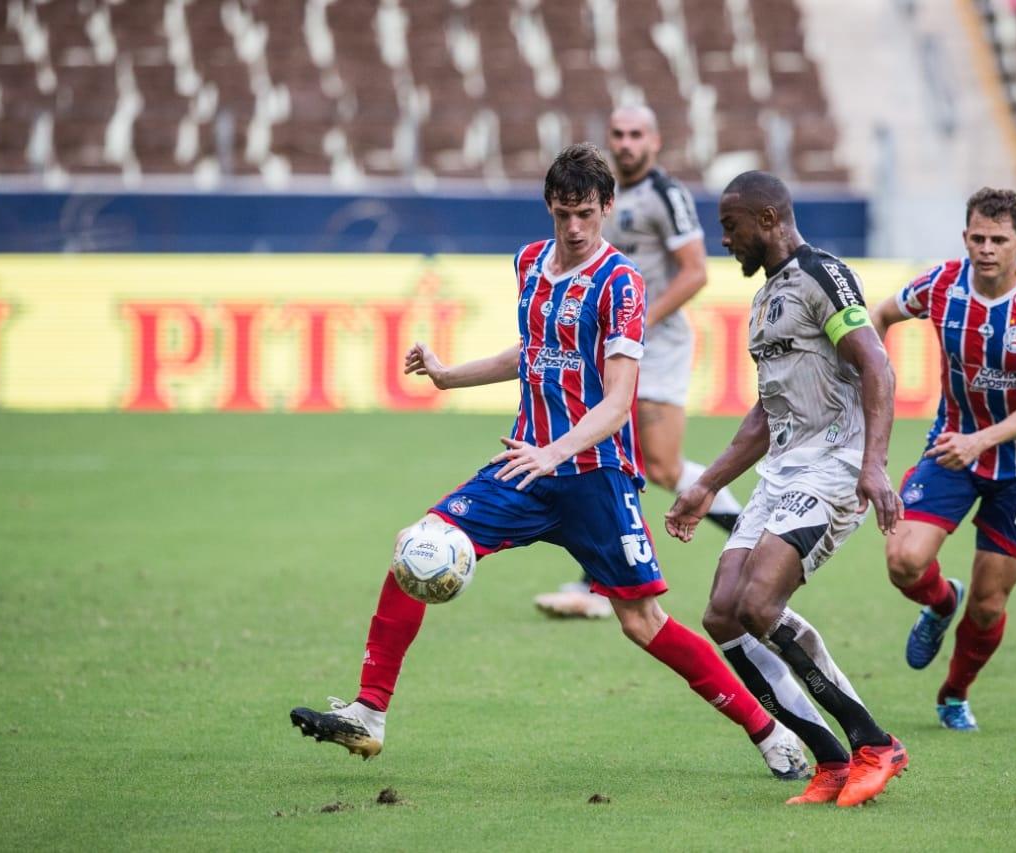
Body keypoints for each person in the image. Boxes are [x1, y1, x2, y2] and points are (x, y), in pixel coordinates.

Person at [289, 144, 809, 782]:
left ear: (607, 208)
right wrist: (451, 376)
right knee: (416, 548)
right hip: (524, 468)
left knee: (643, 623)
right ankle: (369, 712)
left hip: (595, 478)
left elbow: (619, 402)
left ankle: (767, 730)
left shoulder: (623, 285)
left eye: (587, 213)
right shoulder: (529, 263)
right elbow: (533, 350)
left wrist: (555, 452)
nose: (574, 228)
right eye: (564, 213)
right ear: (549, 207)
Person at [666, 171, 908, 808]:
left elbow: (875, 363)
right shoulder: (766, 298)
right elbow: (766, 412)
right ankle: (828, 759)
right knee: (723, 612)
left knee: (760, 601)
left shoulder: (822, 274)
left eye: (731, 226)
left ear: (768, 218)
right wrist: (706, 484)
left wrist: (873, 464)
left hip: (834, 464)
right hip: (782, 470)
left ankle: (874, 742)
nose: (725, 240)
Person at [870, 188, 1016, 731]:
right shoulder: (940, 284)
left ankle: (953, 694)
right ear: (965, 238)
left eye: (999, 240)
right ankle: (940, 603)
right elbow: (881, 316)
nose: (986, 249)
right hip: (952, 447)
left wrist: (982, 441)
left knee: (988, 605)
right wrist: (871, 379)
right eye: (977, 238)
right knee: (903, 561)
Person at [534, 105, 743, 620]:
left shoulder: (666, 195)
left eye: (635, 135)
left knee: (661, 465)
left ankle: (751, 533)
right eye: (617, 135)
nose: (625, 144)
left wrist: (639, 322)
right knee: (606, 449)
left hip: (655, 342)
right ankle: (598, 582)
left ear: (655, 141)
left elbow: (696, 272)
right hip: (612, 341)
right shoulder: (600, 193)